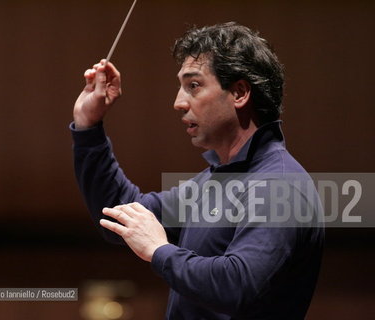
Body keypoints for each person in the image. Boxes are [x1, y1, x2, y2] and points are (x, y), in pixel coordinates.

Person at [70, 22, 324, 319]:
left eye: (194, 85)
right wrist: (88, 127)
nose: (178, 103)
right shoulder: (215, 182)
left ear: (239, 93)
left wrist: (158, 250)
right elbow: (118, 215)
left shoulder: (280, 185)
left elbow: (237, 285)